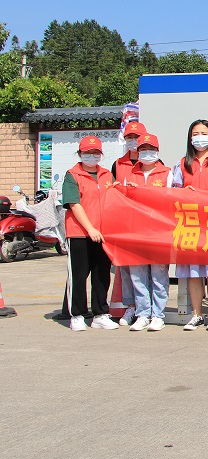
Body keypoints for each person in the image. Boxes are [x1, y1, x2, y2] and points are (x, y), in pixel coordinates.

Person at [172, 119, 208, 331]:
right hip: (190, 224)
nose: (199, 137)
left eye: (203, 133)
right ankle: (196, 314)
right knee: (194, 273)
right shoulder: (183, 163)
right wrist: (183, 192)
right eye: (195, 134)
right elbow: (173, 191)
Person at [62, 136, 116, 332]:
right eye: (87, 153)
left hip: (103, 234)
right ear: (80, 153)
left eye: (95, 153)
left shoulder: (107, 175)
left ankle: (100, 314)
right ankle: (77, 315)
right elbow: (74, 204)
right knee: (79, 275)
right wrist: (90, 228)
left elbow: (117, 197)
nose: (92, 156)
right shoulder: (72, 175)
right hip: (79, 233)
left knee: (102, 275)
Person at [120, 133, 171, 331]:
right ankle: (142, 314)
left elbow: (172, 200)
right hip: (136, 231)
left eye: (151, 149)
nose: (147, 153)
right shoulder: (130, 174)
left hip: (159, 232)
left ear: (157, 152)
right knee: (138, 275)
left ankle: (158, 315)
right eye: (143, 149)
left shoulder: (166, 173)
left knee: (159, 275)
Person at [112, 120, 146, 326]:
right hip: (124, 223)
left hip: (146, 224)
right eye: (129, 137)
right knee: (125, 268)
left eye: (136, 137)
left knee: (146, 270)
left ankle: (146, 309)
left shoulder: (155, 163)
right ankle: (130, 306)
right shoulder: (117, 164)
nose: (133, 141)